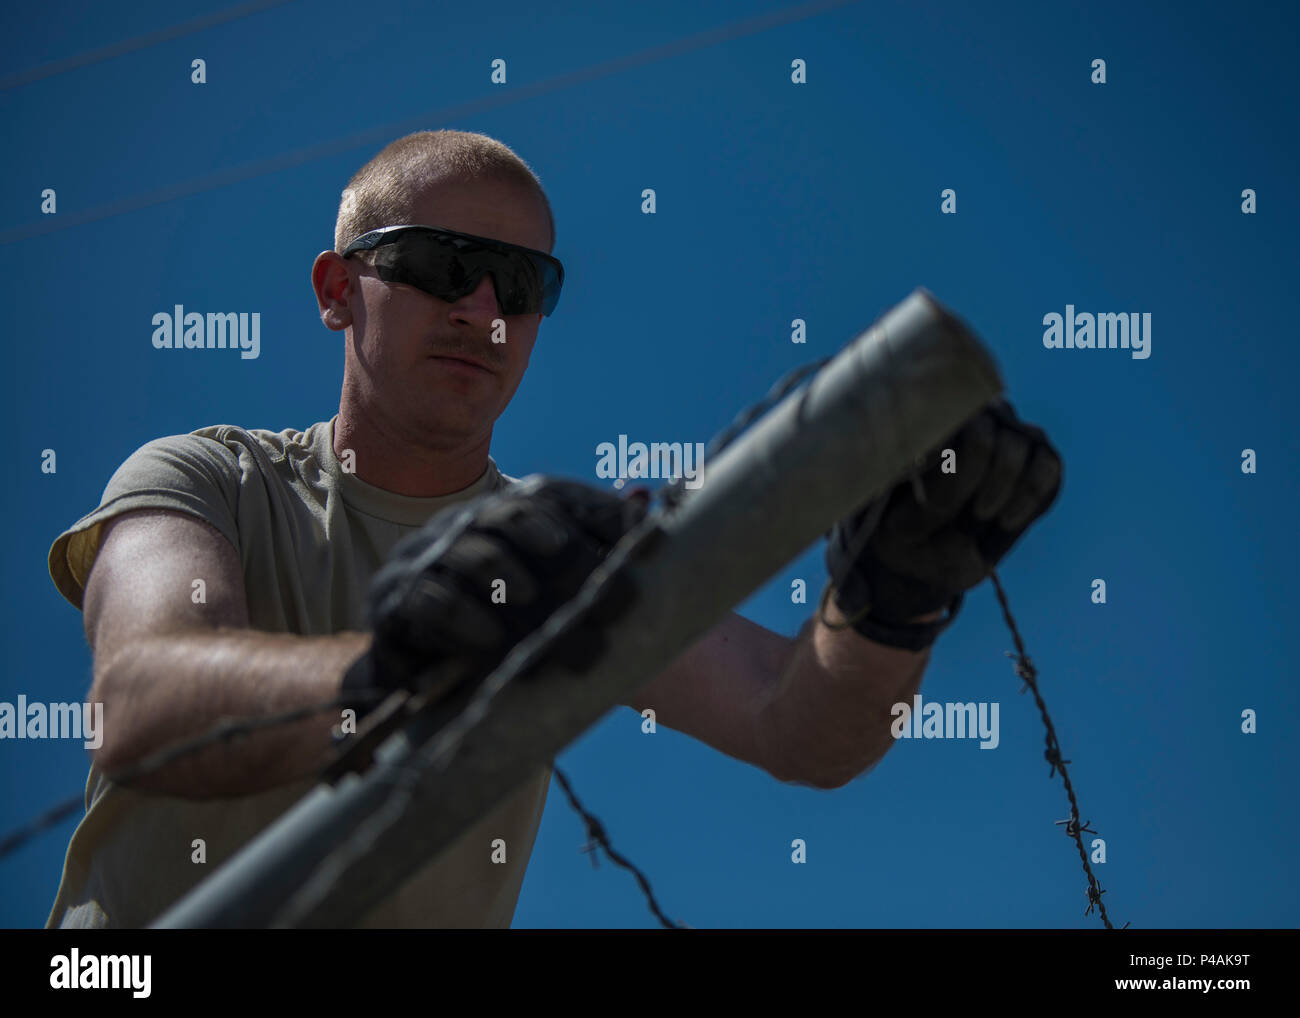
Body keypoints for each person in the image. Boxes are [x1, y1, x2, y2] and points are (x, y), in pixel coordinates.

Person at [44, 129, 1062, 929]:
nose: (483, 308)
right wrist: (394, 673)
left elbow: (797, 729)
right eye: (443, 264)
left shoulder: (554, 557)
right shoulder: (210, 476)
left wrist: (890, 604)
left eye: (522, 286)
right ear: (336, 289)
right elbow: (141, 703)